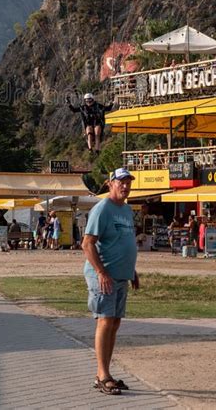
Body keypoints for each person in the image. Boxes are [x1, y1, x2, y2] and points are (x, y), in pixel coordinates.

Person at [82, 168, 139, 396]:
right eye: (121, 182)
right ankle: (102, 375)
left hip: (121, 275)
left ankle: (105, 374)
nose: (125, 186)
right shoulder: (102, 209)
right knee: (105, 322)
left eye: (128, 183)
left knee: (114, 323)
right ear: (110, 184)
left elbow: (123, 241)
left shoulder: (126, 210)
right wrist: (101, 272)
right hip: (103, 276)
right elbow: (87, 243)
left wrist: (132, 270)